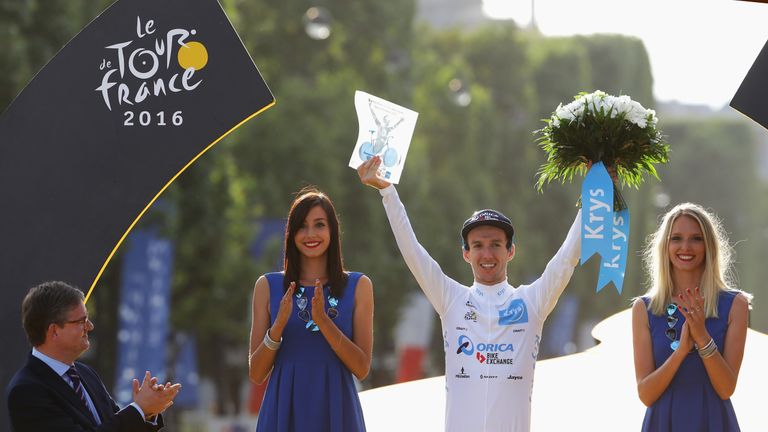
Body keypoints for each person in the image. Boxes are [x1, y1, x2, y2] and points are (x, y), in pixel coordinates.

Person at [357, 156, 582, 432]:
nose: (487, 254)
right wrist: (387, 191)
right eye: (477, 245)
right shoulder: (451, 299)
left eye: (495, 244)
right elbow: (412, 251)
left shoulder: (531, 302)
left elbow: (567, 258)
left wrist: (596, 195)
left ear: (510, 251)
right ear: (466, 253)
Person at [248, 186, 373, 431]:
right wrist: (278, 327)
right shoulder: (267, 286)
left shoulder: (359, 286)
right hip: (282, 413)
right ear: (291, 233)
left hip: (338, 412)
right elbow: (256, 373)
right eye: (302, 226)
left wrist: (323, 321)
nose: (310, 234)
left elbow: (362, 368)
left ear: (332, 230)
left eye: (319, 225)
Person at [632, 203, 752, 431]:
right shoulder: (644, 309)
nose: (685, 247)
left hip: (714, 422)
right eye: (676, 238)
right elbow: (646, 394)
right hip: (662, 423)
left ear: (708, 246)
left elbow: (726, 388)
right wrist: (681, 351)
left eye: (696, 239)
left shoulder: (736, 305)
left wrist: (702, 337)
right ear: (665, 245)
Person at [6, 280, 181, 431]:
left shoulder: (85, 373)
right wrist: (139, 409)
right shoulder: (27, 390)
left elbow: (115, 425)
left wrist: (148, 411)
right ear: (54, 331)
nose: (90, 326)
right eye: (81, 321)